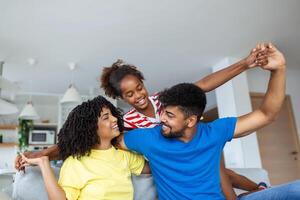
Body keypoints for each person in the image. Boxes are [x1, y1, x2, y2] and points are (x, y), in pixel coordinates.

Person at [15, 44, 268, 199]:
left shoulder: (165, 100)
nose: (138, 96)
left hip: (190, 149)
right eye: (130, 94)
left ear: (144, 83)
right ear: (121, 98)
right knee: (219, 173)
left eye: (139, 88)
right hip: (166, 162)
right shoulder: (125, 121)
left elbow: (203, 85)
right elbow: (85, 139)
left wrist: (246, 63)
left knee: (223, 170)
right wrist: (44, 153)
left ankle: (259, 190)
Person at [114, 43, 300, 199]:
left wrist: (279, 69)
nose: (161, 118)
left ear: (191, 120)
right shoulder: (148, 137)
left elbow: (266, 114)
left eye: (169, 115)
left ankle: (258, 189)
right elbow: (109, 139)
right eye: (129, 94)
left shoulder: (213, 130)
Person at [20, 96, 150, 200]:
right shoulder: (75, 162)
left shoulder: (125, 156)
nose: (115, 119)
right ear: (91, 129)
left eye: (112, 114)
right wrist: (43, 162)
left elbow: (156, 167)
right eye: (106, 117)